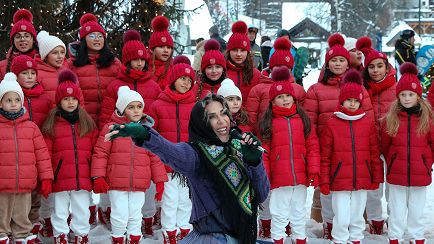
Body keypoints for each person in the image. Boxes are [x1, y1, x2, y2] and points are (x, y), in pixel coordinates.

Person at [105, 93, 270, 244]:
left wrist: (255, 162)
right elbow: (168, 150)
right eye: (212, 117)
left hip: (243, 237)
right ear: (201, 123)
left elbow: (261, 195)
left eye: (223, 113)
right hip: (213, 239)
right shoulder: (196, 155)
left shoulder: (240, 146)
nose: (221, 120)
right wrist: (144, 134)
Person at [303, 33, 373, 238]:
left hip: (351, 149)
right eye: (334, 60)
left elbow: (367, 118)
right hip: (326, 148)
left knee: (352, 193)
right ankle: (329, 224)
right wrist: (313, 146)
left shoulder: (359, 88)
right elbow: (310, 121)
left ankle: (353, 228)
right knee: (326, 191)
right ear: (327, 63)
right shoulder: (316, 89)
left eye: (342, 60)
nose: (338, 64)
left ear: (348, 62)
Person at [91, 86, 168, 244]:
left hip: (139, 183)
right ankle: (118, 238)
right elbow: (101, 153)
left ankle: (134, 239)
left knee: (135, 214)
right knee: (119, 214)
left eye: (139, 107)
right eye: (131, 107)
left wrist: (160, 180)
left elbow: (155, 156)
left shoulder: (146, 131)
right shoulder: (111, 129)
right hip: (116, 183)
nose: (136, 111)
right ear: (121, 109)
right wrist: (98, 176)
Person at [320, 70, 383, 244]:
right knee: (341, 214)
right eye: (349, 100)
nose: (353, 104)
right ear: (341, 100)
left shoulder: (366, 123)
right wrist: (324, 181)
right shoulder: (332, 123)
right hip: (339, 180)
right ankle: (339, 239)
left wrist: (376, 177)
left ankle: (356, 239)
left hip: (362, 178)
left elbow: (374, 153)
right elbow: (325, 157)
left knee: (357, 214)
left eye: (356, 101)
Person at [258, 67, 320, 244]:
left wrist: (314, 171)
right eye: (279, 97)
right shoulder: (269, 123)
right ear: (272, 102)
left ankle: (299, 238)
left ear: (294, 97)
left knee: (299, 211)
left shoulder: (303, 119)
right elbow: (264, 153)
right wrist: (266, 175)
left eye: (287, 96)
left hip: (300, 176)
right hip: (279, 178)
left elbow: (313, 146)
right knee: (279, 212)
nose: (284, 99)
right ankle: (278, 238)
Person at [41, 69, 98, 244]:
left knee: (82, 210)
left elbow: (96, 150)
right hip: (60, 178)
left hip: (82, 176)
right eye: (66, 99)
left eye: (74, 98)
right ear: (59, 101)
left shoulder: (87, 123)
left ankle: (81, 235)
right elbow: (46, 154)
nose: (71, 102)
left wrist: (96, 174)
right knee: (59, 211)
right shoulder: (52, 123)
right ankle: (61, 236)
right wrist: (47, 177)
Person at [382, 62, 434, 244]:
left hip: (420, 172)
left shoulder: (427, 119)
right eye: (402, 95)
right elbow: (385, 145)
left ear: (418, 96)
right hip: (397, 173)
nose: (406, 98)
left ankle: (416, 236)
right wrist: (393, 161)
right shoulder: (392, 119)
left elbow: (432, 144)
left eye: (410, 94)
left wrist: (426, 163)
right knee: (396, 208)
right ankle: (395, 236)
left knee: (416, 209)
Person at [147, 56, 196, 243]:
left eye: (190, 80)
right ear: (173, 79)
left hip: (187, 163)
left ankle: (184, 230)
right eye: (183, 78)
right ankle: (169, 233)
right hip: (167, 164)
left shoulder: (195, 106)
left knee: (186, 200)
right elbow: (152, 135)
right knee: (169, 200)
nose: (186, 83)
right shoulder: (158, 105)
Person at [0, 72, 53, 244]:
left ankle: (22, 235)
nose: (14, 104)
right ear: (1, 103)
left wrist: (46, 177)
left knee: (23, 213)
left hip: (25, 182)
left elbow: (42, 155)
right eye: (8, 100)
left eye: (17, 100)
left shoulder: (31, 127)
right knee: (2, 212)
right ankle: (2, 234)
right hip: (2, 183)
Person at [357, 36, 397, 234]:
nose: (376, 70)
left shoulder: (398, 89)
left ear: (387, 67)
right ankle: (375, 219)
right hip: (370, 144)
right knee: (374, 185)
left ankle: (394, 218)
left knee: (393, 186)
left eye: (379, 66)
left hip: (393, 144)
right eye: (371, 67)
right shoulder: (363, 90)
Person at [99, 29, 161, 128]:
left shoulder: (154, 86)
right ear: (127, 61)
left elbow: (158, 117)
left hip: (147, 138)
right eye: (135, 59)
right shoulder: (115, 86)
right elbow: (106, 117)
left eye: (142, 60)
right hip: (122, 138)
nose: (140, 63)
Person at [68, 13, 121, 128]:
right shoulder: (72, 63)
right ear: (83, 40)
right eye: (92, 36)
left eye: (100, 36)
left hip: (109, 121)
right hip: (82, 122)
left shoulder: (114, 63)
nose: (97, 39)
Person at [247, 37, 306, 132]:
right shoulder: (258, 89)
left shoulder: (298, 90)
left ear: (291, 69)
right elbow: (250, 120)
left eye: (286, 67)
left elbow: (305, 120)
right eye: (278, 66)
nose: (282, 70)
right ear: (270, 68)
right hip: (264, 138)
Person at [225, 21, 261, 107]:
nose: (238, 54)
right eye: (234, 50)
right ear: (229, 51)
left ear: (248, 52)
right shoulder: (221, 73)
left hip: (249, 119)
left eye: (242, 50)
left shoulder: (256, 74)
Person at [0, 9, 38, 80]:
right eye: (18, 37)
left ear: (33, 39)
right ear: (13, 41)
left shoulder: (44, 62)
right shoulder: (1, 67)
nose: (22, 39)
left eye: (26, 36)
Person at [36, 30, 69, 105]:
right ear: (46, 56)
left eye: (62, 52)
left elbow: (79, 97)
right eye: (55, 53)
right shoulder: (37, 74)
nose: (60, 56)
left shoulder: (68, 72)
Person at [149, 16, 174, 90]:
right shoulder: (143, 67)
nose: (166, 50)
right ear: (152, 49)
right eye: (161, 46)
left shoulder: (174, 69)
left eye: (169, 47)